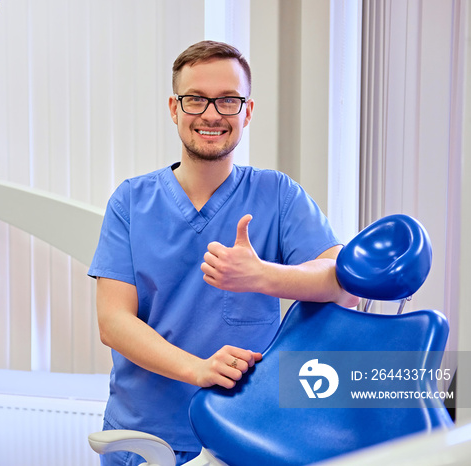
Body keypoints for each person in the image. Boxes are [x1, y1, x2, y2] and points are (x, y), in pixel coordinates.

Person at [87, 40, 359, 466]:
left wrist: (262, 276)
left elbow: (344, 284)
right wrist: (199, 369)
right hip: (146, 438)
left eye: (228, 100)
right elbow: (113, 322)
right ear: (174, 108)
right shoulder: (131, 201)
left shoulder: (278, 195)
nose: (211, 114)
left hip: (245, 436)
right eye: (195, 99)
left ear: (247, 112)